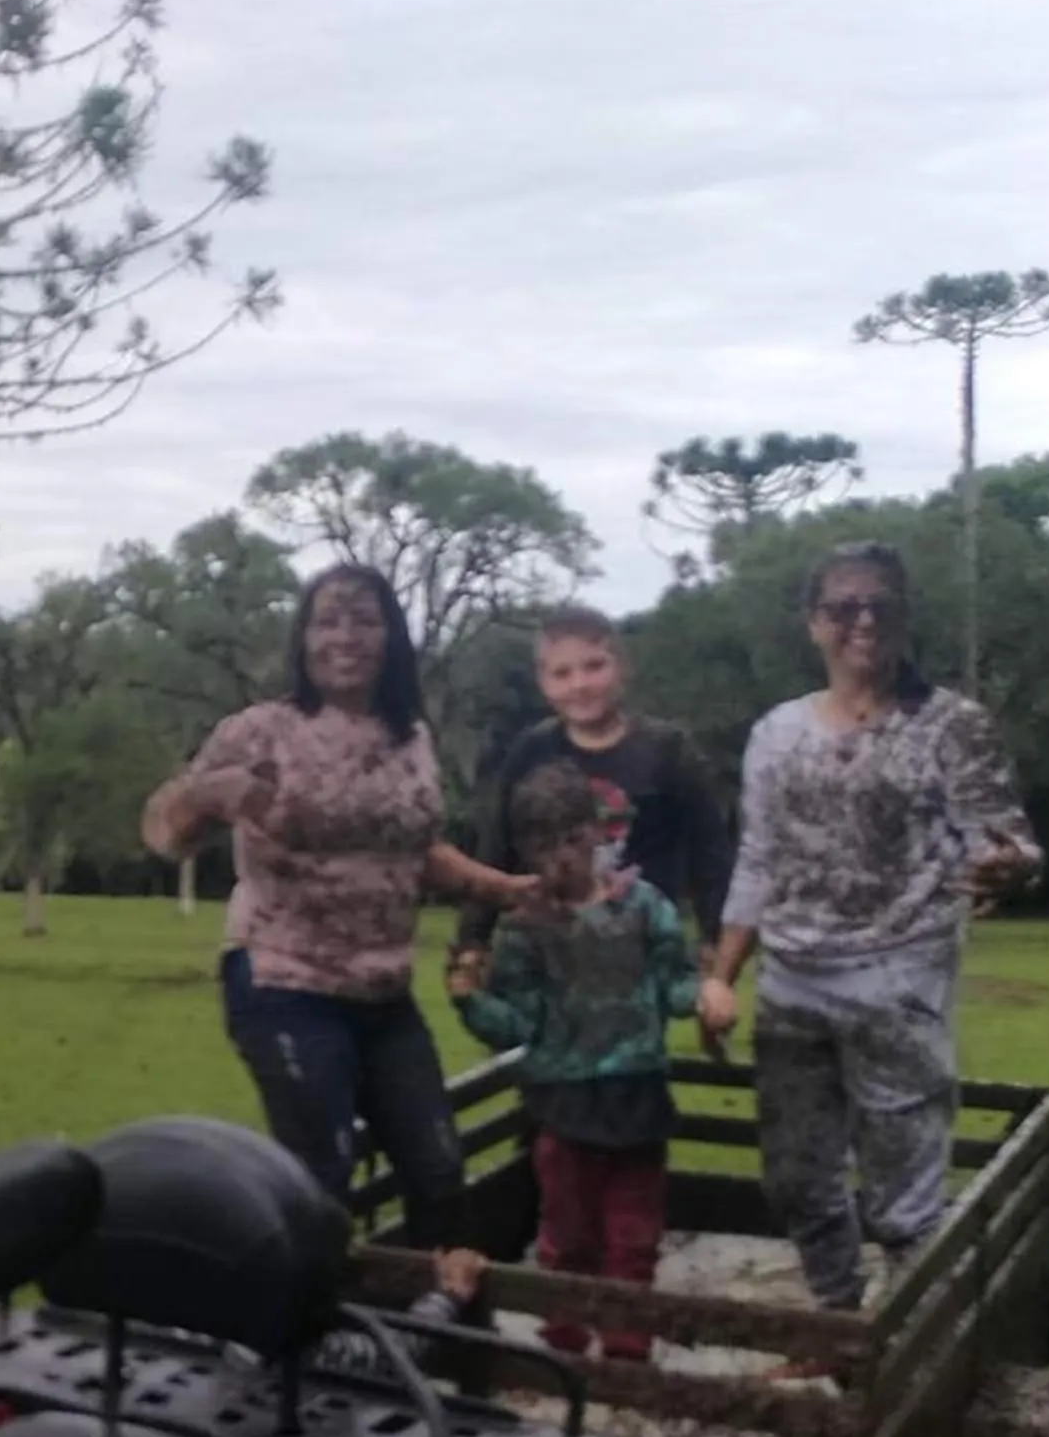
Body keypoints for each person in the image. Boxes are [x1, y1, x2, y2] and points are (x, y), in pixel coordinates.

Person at [140, 564, 535, 1244]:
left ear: (391, 637)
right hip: (284, 982)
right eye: (328, 622)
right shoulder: (262, 730)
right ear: (303, 638)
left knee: (439, 1172)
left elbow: (415, 850)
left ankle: (427, 1308)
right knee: (321, 1176)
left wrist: (507, 889)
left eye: (364, 621)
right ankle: (306, 1311)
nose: (345, 637)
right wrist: (206, 796)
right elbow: (162, 834)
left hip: (384, 991)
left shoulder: (410, 737)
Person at [699, 541, 1040, 1313]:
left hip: (900, 980)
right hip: (792, 984)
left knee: (904, 1201)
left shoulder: (951, 725)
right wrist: (722, 976)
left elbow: (1009, 841)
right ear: (812, 622)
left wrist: (1012, 867)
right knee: (796, 1180)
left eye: (880, 604)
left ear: (904, 615)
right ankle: (841, 1325)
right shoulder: (776, 733)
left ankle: (916, 1351)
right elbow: (757, 860)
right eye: (843, 607)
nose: (863, 620)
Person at [449, 767, 702, 1360]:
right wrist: (470, 1001)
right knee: (566, 1235)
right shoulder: (524, 928)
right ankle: (561, 1348)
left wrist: (706, 997)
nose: (559, 857)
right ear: (523, 849)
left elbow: (675, 982)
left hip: (637, 1095)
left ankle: (626, 1351)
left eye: (570, 838)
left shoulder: (643, 906)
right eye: (541, 844)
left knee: (634, 1236)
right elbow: (518, 1026)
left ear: (595, 831)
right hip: (562, 1104)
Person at [456, 605, 734, 982]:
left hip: (641, 954)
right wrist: (472, 941)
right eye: (562, 673)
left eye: (594, 666)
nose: (580, 685)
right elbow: (496, 850)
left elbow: (710, 855)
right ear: (543, 682)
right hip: (547, 952)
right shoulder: (531, 751)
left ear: (622, 667)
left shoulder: (667, 749)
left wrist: (714, 942)